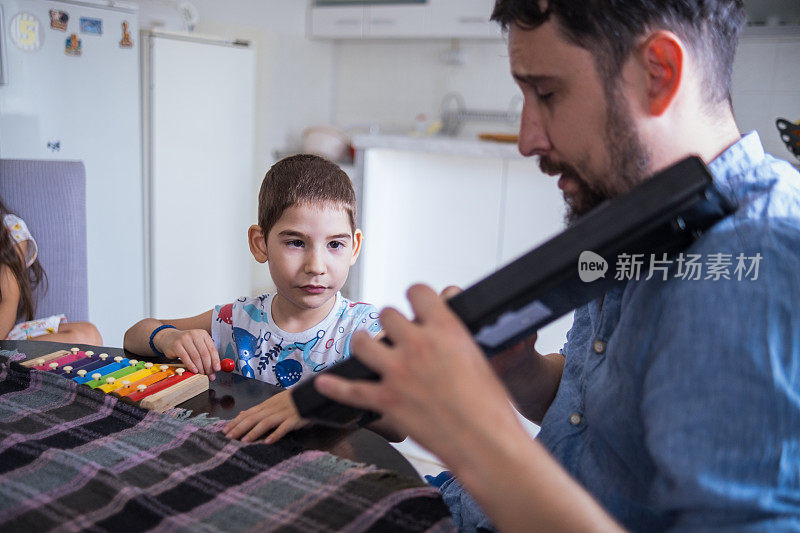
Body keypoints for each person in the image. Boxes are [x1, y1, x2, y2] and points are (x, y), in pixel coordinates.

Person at [312, 1, 800, 531]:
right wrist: (519, 372)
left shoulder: (756, 260)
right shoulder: (639, 212)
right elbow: (596, 417)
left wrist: (478, 441)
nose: (527, 140)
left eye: (547, 93)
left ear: (659, 72)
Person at [125, 154, 401, 443]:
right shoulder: (237, 319)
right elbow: (136, 334)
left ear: (354, 247)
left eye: (335, 244)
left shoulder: (366, 331)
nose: (316, 265)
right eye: (296, 242)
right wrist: (169, 338)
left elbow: (398, 428)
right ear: (260, 244)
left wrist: (321, 400)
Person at [0, 198, 103, 344]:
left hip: (4, 336)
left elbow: (8, 299)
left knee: (88, 334)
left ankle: (13, 360)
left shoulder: (8, 231)